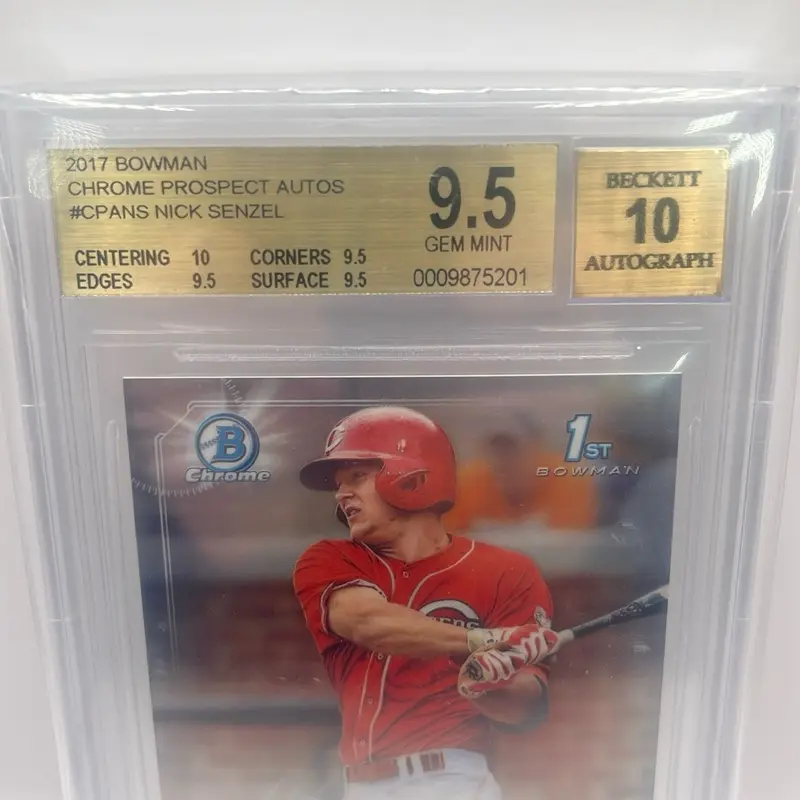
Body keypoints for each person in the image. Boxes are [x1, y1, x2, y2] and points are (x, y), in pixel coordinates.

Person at [292, 406, 559, 800]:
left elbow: (525, 711)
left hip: (451, 780)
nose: (341, 493)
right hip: (360, 787)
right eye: (339, 483)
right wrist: (481, 641)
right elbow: (367, 622)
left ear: (413, 477)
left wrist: (489, 681)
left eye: (357, 477)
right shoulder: (330, 558)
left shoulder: (507, 571)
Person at [443, 421, 598, 535]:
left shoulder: (566, 479)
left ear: (538, 451)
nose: (504, 460)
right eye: (495, 450)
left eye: (513, 449)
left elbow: (570, 551)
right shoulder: (467, 482)